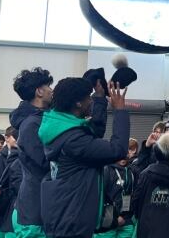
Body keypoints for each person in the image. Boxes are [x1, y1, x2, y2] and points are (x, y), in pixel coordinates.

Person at [39, 79, 130, 238]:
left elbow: (94, 132)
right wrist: (120, 110)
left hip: (64, 214)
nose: (91, 100)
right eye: (89, 97)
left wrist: (100, 98)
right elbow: (118, 150)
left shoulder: (60, 128)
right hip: (72, 222)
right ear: (78, 103)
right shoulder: (74, 141)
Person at [9, 68, 54, 238]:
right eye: (49, 86)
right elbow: (43, 162)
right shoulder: (30, 125)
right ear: (39, 91)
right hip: (33, 213)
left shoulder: (42, 119)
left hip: (42, 207)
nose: (52, 90)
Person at [95, 153, 139, 238]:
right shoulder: (106, 170)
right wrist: (116, 217)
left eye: (125, 154)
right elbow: (101, 197)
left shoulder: (131, 171)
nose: (123, 157)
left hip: (127, 221)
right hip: (108, 221)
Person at [0, 127, 20, 238]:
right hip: (3, 212)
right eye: (15, 137)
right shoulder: (0, 160)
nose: (18, 139)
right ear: (7, 138)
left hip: (16, 209)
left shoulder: (21, 157)